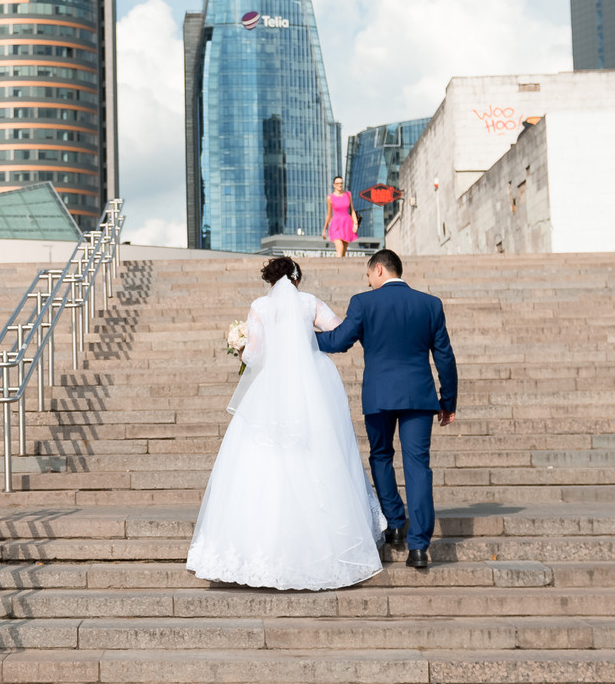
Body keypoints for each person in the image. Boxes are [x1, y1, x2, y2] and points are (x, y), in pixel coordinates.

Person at [185, 256, 384, 591]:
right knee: (318, 454)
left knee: (261, 459)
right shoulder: (309, 303)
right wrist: (304, 343)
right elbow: (339, 331)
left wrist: (242, 346)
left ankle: (254, 553)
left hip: (270, 391)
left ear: (271, 280)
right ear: (296, 279)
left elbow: (254, 355)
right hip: (311, 389)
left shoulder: (261, 307)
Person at [314, 248, 457, 570]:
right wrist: (448, 401)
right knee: (418, 466)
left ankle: (395, 521)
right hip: (420, 397)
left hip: (378, 395)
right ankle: (419, 546)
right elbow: (445, 356)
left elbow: (338, 341)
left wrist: (301, 338)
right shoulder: (430, 304)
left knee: (380, 456)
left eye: (368, 276)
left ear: (378, 269)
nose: (368, 283)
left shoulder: (364, 303)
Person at [325, 177, 358, 259]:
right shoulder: (330, 198)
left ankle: (341, 270)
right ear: (334, 185)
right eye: (337, 183)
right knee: (340, 249)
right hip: (336, 224)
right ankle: (337, 269)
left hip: (347, 224)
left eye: (341, 183)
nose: (340, 185)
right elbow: (329, 214)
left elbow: (352, 210)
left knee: (343, 251)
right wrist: (324, 229)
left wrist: (355, 223)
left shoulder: (348, 195)